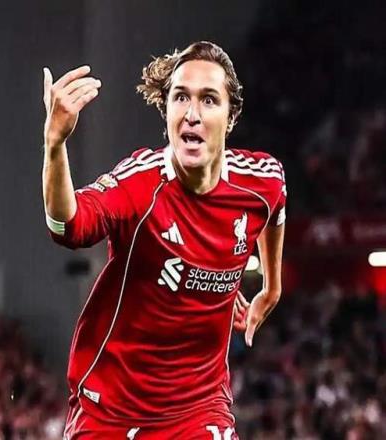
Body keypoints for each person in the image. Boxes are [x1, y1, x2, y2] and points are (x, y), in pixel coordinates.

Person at [42, 41, 286, 439]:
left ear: (231, 117)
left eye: (209, 100)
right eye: (181, 98)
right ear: (167, 111)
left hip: (198, 408)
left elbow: (276, 206)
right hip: (110, 410)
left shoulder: (260, 181)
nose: (192, 114)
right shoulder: (139, 185)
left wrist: (272, 287)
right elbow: (65, 227)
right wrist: (55, 146)